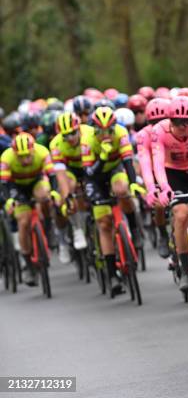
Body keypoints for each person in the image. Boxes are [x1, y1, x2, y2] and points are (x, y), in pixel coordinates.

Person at [82, 107, 143, 296]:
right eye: (101, 132)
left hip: (115, 170)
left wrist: (133, 183)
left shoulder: (121, 133)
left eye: (110, 130)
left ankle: (134, 228)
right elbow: (90, 173)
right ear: (95, 131)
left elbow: (127, 161)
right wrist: (102, 157)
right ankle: (111, 274)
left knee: (123, 190)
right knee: (104, 224)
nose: (106, 135)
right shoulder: (88, 141)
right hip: (95, 179)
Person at [152, 97, 188, 293]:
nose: (183, 126)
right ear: (170, 121)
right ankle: (184, 269)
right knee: (181, 214)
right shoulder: (160, 131)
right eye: (177, 122)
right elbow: (157, 162)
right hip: (173, 173)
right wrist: (163, 186)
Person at [0, 132, 59, 286]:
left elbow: (52, 175)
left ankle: (48, 225)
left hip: (36, 181)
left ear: (33, 150)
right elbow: (4, 184)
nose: (25, 159)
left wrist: (53, 192)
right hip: (16, 186)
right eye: (21, 156)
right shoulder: (7, 158)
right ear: (14, 153)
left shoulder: (42, 152)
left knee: (44, 196)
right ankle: (27, 263)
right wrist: (9, 200)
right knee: (23, 222)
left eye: (28, 155)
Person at [50, 112, 92, 263]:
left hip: (90, 166)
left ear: (79, 129)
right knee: (69, 190)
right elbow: (60, 174)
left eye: (73, 133)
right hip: (70, 170)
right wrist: (67, 196)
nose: (70, 138)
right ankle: (77, 229)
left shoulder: (90, 133)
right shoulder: (55, 144)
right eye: (65, 135)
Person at [137, 98, 171, 259]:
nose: (158, 125)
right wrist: (151, 187)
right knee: (158, 205)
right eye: (154, 122)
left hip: (173, 169)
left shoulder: (172, 129)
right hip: (153, 171)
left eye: (163, 120)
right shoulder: (143, 135)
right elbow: (144, 162)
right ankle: (163, 233)